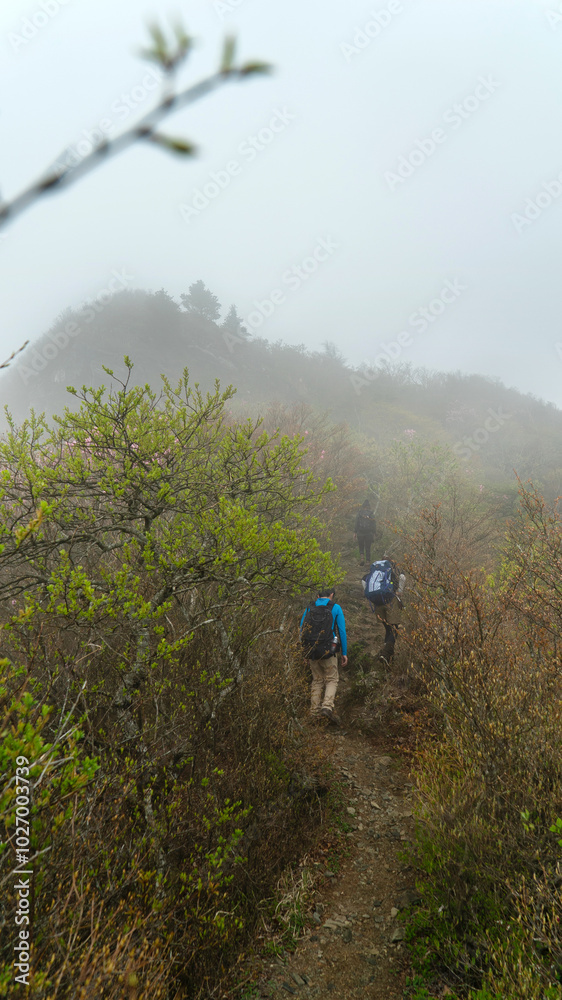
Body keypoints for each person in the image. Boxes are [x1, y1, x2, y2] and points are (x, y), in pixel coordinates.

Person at [300, 587, 348, 725]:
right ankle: (327, 707)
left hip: (311, 651)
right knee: (332, 679)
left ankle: (313, 712)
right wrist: (344, 653)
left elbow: (301, 629)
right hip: (328, 651)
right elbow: (342, 632)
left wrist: (304, 652)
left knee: (317, 680)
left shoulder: (310, 608)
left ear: (318, 595)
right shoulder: (336, 608)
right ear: (331, 595)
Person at [362, 556, 406, 664]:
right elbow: (402, 577)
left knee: (388, 628)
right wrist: (399, 591)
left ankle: (388, 656)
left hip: (377, 602)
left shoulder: (374, 571)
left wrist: (370, 595)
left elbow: (363, 580)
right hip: (390, 601)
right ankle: (385, 654)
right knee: (394, 628)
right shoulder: (392, 570)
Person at [354, 500, 377, 566]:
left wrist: (355, 532)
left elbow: (356, 523)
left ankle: (362, 558)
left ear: (363, 506)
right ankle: (368, 562)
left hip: (360, 532)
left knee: (361, 546)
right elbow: (374, 523)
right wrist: (374, 532)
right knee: (368, 547)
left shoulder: (359, 513)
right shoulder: (371, 514)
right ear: (369, 506)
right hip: (369, 533)